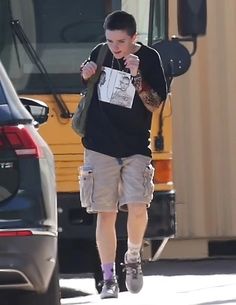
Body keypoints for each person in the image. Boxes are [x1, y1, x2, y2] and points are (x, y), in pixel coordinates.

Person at [79, 10, 167, 299]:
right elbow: (89, 87)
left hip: (135, 147)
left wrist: (137, 75)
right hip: (99, 145)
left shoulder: (150, 59)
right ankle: (108, 279)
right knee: (106, 213)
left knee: (138, 206)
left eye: (120, 41)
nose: (114, 47)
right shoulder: (100, 52)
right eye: (110, 40)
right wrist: (86, 73)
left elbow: (155, 105)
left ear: (133, 39)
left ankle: (132, 257)